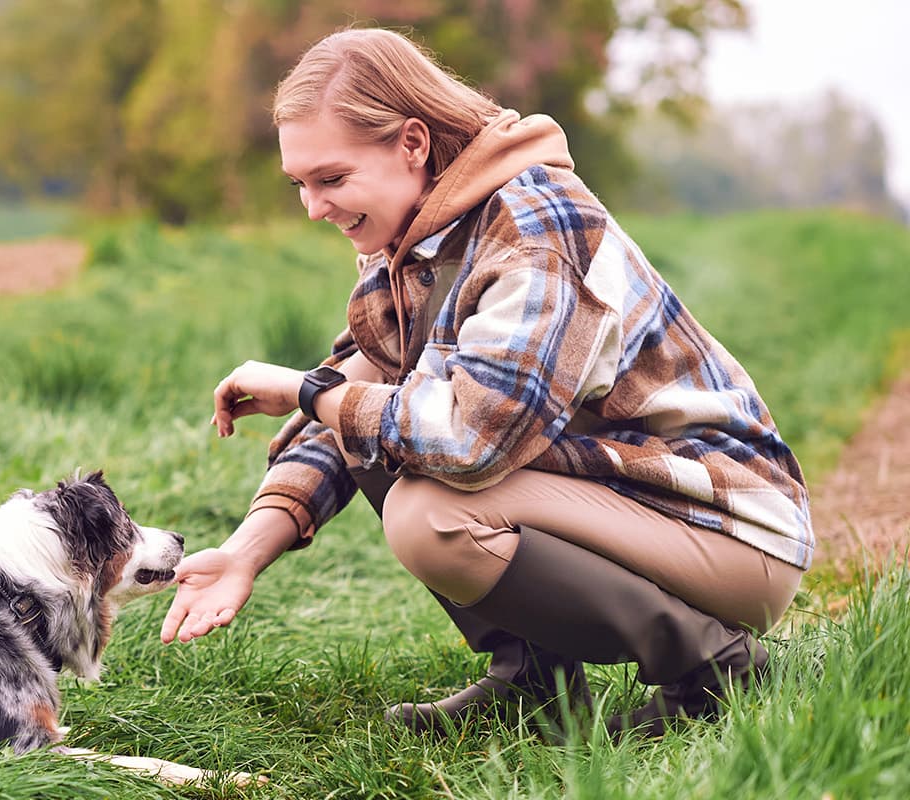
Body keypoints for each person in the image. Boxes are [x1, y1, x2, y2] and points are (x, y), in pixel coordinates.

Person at [158, 27, 812, 737]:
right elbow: (349, 400)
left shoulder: (535, 225)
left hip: (726, 529)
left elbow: (472, 442)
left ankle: (717, 671)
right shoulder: (416, 239)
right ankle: (535, 687)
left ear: (412, 143)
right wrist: (247, 551)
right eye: (301, 184)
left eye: (332, 179)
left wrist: (312, 392)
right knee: (372, 420)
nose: (314, 208)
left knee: (432, 514)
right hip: (629, 501)